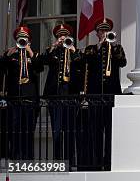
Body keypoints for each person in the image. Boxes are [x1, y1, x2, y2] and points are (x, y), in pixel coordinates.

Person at [76, 17, 126, 171]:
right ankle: (97, 162)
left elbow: (122, 61)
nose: (104, 33)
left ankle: (109, 162)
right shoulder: (92, 49)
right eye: (101, 30)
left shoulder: (116, 48)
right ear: (97, 33)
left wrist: (111, 45)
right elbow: (83, 61)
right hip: (95, 95)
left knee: (111, 131)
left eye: (106, 30)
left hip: (111, 95)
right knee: (96, 131)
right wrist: (100, 46)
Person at [41, 23, 80, 168]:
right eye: (59, 36)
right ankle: (58, 162)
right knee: (57, 130)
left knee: (69, 130)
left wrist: (73, 50)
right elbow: (43, 61)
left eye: (64, 36)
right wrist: (54, 46)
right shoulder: (53, 52)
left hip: (70, 96)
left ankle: (70, 161)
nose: (62, 38)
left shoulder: (73, 51)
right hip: (55, 96)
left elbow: (80, 64)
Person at [3, 25, 43, 159]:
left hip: (30, 99)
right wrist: (6, 56)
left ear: (29, 40)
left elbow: (40, 67)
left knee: (28, 131)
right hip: (15, 98)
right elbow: (2, 69)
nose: (22, 40)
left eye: (25, 38)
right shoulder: (11, 55)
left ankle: (28, 160)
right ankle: (15, 159)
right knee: (14, 131)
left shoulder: (34, 54)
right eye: (20, 38)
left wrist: (29, 50)